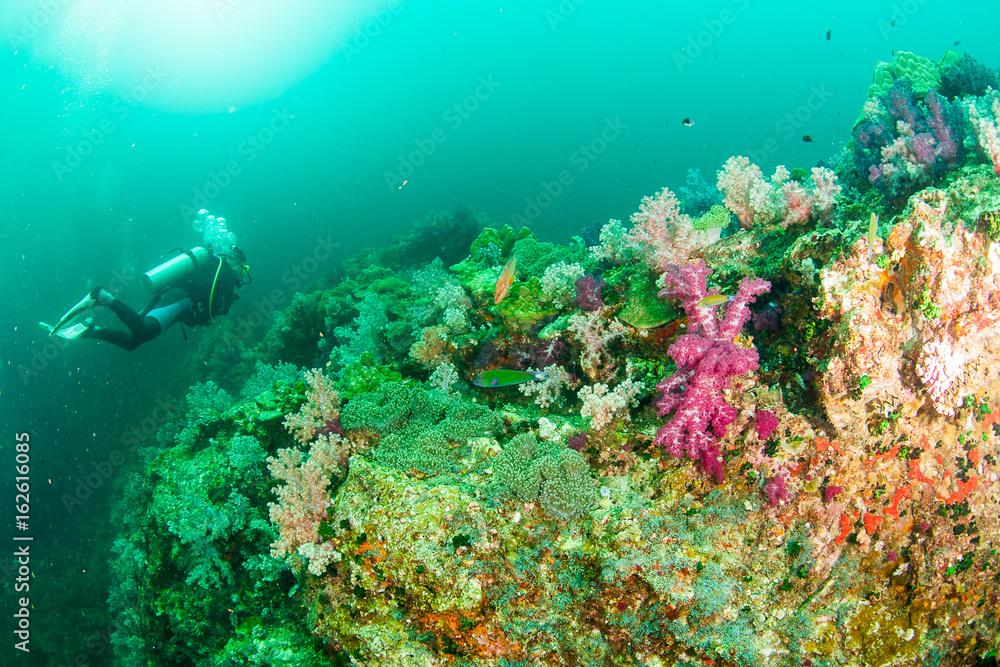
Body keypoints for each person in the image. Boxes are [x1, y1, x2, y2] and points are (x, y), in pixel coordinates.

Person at [42, 246, 250, 351]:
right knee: (144, 330)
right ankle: (102, 298)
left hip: (173, 296)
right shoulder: (229, 274)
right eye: (244, 269)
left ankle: (92, 330)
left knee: (133, 341)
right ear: (239, 263)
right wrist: (234, 295)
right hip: (181, 300)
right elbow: (221, 309)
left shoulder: (216, 266)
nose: (243, 274)